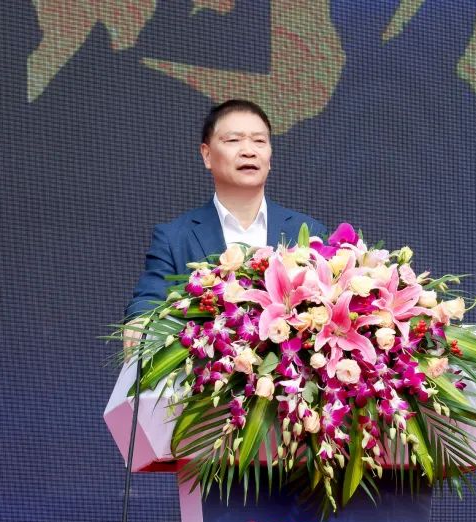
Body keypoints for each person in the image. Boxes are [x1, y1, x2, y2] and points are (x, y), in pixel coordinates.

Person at [124, 99, 326, 348]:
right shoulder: (174, 238)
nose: (249, 151)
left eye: (259, 141)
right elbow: (147, 303)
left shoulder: (308, 233)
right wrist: (139, 324)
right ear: (207, 155)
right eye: (233, 140)